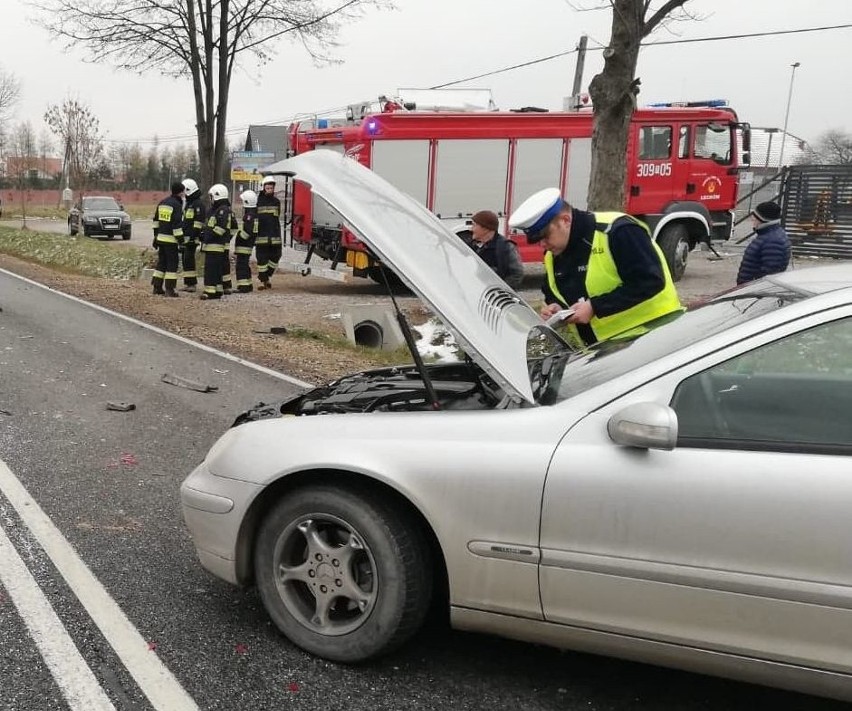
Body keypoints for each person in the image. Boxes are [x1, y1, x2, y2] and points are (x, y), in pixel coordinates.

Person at [508, 188, 683, 348]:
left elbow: (650, 280)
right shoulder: (553, 255)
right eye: (536, 240)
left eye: (545, 236)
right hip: (604, 348)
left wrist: (595, 307)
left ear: (565, 220)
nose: (542, 245)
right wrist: (557, 308)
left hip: (652, 336)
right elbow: (553, 291)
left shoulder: (617, 231)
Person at [736, 201, 791, 285]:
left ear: (762, 219)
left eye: (755, 217)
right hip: (750, 288)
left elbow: (769, 275)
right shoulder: (767, 235)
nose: (752, 219)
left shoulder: (773, 241)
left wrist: (752, 289)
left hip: (754, 292)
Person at [469, 210, 524, 289]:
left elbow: (517, 274)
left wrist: (500, 290)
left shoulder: (506, 247)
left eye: (474, 225)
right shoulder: (472, 245)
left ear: (486, 229)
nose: (471, 229)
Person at [199, 183, 236, 300]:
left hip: (215, 245)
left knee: (211, 269)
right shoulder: (214, 210)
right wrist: (203, 233)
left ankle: (210, 292)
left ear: (216, 196)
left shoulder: (222, 211)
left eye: (211, 197)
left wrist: (207, 236)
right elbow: (209, 226)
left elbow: (220, 228)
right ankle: (218, 290)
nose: (210, 199)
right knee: (216, 269)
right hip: (212, 245)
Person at [151, 181, 186, 297]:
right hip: (171, 241)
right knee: (172, 264)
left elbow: (156, 221)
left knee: (161, 263)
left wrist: (156, 236)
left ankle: (157, 287)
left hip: (161, 239)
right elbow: (176, 225)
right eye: (183, 192)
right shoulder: (176, 205)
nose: (184, 195)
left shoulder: (163, 202)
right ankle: (169, 289)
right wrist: (181, 241)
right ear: (180, 192)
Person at [255, 175, 282, 289]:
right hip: (261, 235)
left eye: (271, 188)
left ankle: (268, 274)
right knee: (262, 258)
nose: (270, 190)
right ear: (263, 188)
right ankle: (264, 279)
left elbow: (277, 217)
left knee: (276, 256)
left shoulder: (276, 201)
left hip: (274, 235)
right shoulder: (258, 201)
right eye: (268, 188)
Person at [179, 178, 205, 292]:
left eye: (184, 191)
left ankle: (192, 284)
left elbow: (198, 223)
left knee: (188, 259)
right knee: (185, 260)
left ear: (189, 190)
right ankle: (188, 283)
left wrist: (193, 237)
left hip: (192, 238)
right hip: (186, 237)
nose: (183, 194)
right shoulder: (189, 204)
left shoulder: (198, 204)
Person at [235, 189, 258, 293]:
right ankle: (247, 285)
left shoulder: (249, 215)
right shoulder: (254, 213)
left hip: (245, 244)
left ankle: (243, 286)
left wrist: (239, 237)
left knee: (241, 264)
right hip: (248, 244)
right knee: (244, 263)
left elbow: (248, 231)